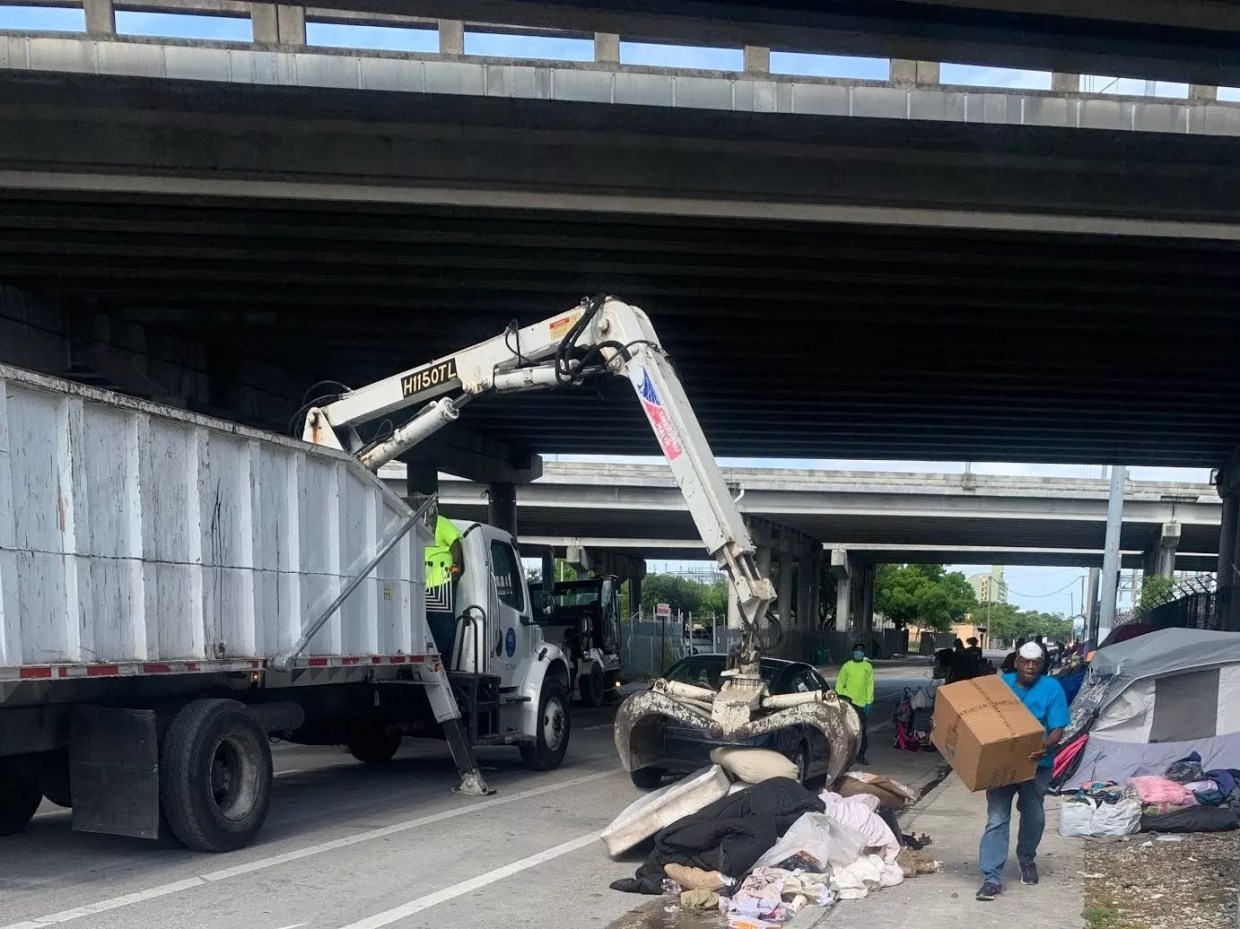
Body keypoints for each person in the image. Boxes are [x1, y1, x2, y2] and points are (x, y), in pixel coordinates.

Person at [976, 642, 1070, 902]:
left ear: (1042, 665)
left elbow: (1058, 727)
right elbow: (979, 716)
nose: (1030, 667)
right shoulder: (1000, 685)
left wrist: (1046, 745)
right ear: (1016, 662)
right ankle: (992, 878)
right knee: (997, 818)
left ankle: (1027, 858)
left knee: (1033, 817)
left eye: (1036, 662)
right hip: (1003, 764)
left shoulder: (1052, 688)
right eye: (1025, 662)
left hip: (1037, 764)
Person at [836, 640, 875, 766]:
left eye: (861, 651)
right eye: (857, 650)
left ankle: (861, 755)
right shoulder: (847, 666)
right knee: (848, 730)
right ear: (853, 652)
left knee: (861, 730)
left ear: (863, 653)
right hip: (849, 703)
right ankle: (846, 755)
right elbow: (840, 684)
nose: (859, 653)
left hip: (862, 704)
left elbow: (870, 685)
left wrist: (869, 701)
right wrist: (840, 699)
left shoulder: (867, 667)